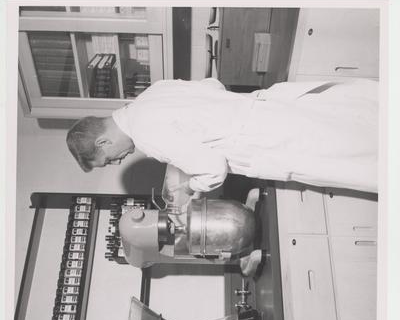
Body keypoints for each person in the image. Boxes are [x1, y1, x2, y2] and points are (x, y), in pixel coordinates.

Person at [66, 77, 379, 196]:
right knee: (360, 117)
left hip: (271, 140)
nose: (118, 160)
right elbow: (213, 85)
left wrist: (188, 188)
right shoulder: (150, 93)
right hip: (268, 107)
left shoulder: (145, 135)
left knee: (363, 156)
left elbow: (214, 168)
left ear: (103, 142)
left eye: (108, 159)